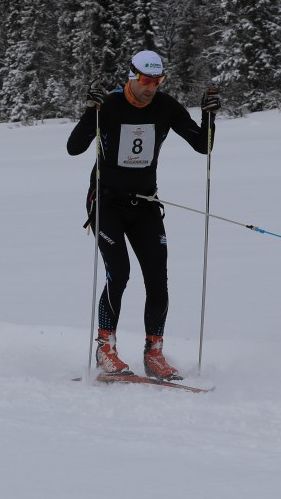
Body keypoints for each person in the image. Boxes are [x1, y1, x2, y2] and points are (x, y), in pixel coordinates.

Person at [67, 50, 221, 380]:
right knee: (119, 272)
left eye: (157, 81)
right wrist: (90, 111)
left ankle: (154, 353)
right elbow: (74, 147)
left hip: (145, 204)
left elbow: (202, 145)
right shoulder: (108, 105)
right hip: (106, 203)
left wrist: (209, 118)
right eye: (145, 81)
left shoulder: (165, 106)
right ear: (132, 77)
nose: (151, 88)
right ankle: (105, 348)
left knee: (157, 277)